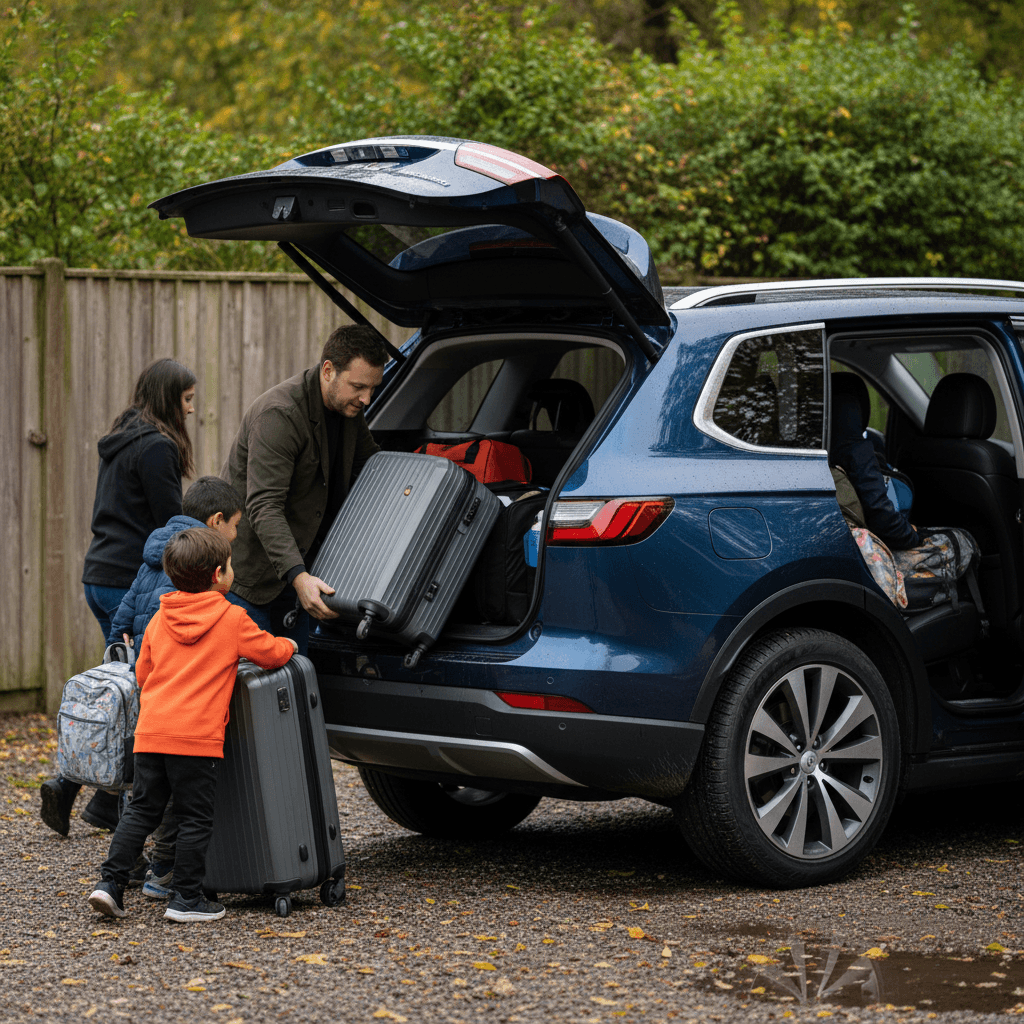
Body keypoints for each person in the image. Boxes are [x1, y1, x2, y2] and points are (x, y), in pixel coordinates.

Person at [88, 527, 297, 923]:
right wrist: (291, 645)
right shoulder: (232, 618)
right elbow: (269, 654)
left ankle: (110, 884)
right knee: (194, 817)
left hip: (151, 733)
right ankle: (186, 899)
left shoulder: (159, 618)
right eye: (231, 564)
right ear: (219, 574)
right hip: (196, 739)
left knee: (141, 811)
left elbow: (143, 674)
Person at [42, 358, 198, 836]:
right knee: (137, 694)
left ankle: (103, 805)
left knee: (125, 688)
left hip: (101, 574)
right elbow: (171, 522)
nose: (191, 411)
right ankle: (72, 784)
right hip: (129, 583)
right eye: (187, 400)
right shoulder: (155, 448)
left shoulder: (123, 437)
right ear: (170, 398)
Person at [222, 324, 388, 653]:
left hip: (297, 579)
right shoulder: (280, 415)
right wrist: (300, 577)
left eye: (372, 388)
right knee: (252, 693)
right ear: (328, 370)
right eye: (358, 386)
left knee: (294, 686)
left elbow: (372, 469)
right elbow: (263, 507)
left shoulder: (349, 409)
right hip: (250, 581)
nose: (366, 398)